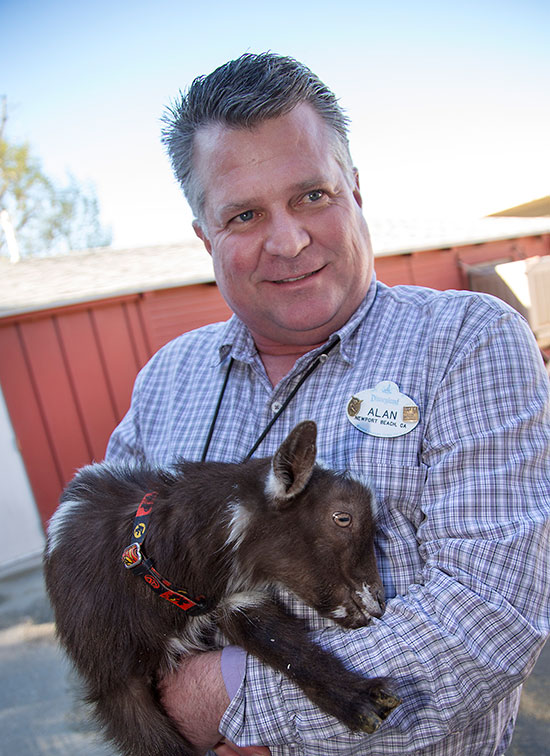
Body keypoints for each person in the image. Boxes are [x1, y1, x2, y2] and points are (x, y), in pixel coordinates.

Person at [105, 53, 550, 755]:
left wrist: (221, 698)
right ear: (205, 236)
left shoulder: (466, 343)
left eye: (312, 195)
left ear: (356, 192)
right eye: (245, 215)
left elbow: (489, 618)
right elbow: (103, 577)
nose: (288, 241)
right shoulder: (165, 380)